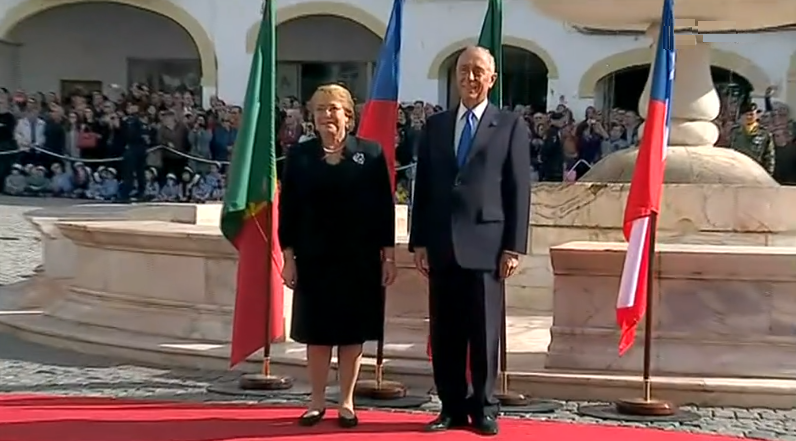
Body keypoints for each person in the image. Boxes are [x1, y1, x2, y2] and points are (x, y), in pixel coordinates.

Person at [409, 46, 531, 437]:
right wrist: (420, 242)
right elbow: (423, 188)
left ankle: (483, 407)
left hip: (487, 245)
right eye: (464, 71)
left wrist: (514, 245)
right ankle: (450, 406)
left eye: (478, 71)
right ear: (455, 77)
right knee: (444, 332)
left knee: (483, 333)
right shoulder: (436, 126)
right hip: (442, 244)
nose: (470, 78)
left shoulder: (509, 125)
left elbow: (518, 188)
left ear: (492, 79)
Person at [278, 84, 397, 429]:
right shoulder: (299, 157)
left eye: (333, 108)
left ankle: (346, 401)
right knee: (317, 333)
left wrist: (387, 256)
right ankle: (316, 401)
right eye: (320, 109)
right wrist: (288, 257)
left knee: (351, 333)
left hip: (357, 258)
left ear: (349, 115)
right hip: (314, 257)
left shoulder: (370, 154)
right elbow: (289, 211)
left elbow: (383, 209)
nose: (326, 115)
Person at [729, 102, 775, 176]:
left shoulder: (764, 133)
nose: (749, 117)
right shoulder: (734, 131)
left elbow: (769, 155)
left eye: (752, 114)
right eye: (746, 115)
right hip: (739, 169)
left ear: (756, 115)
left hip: (757, 170)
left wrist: (768, 174)